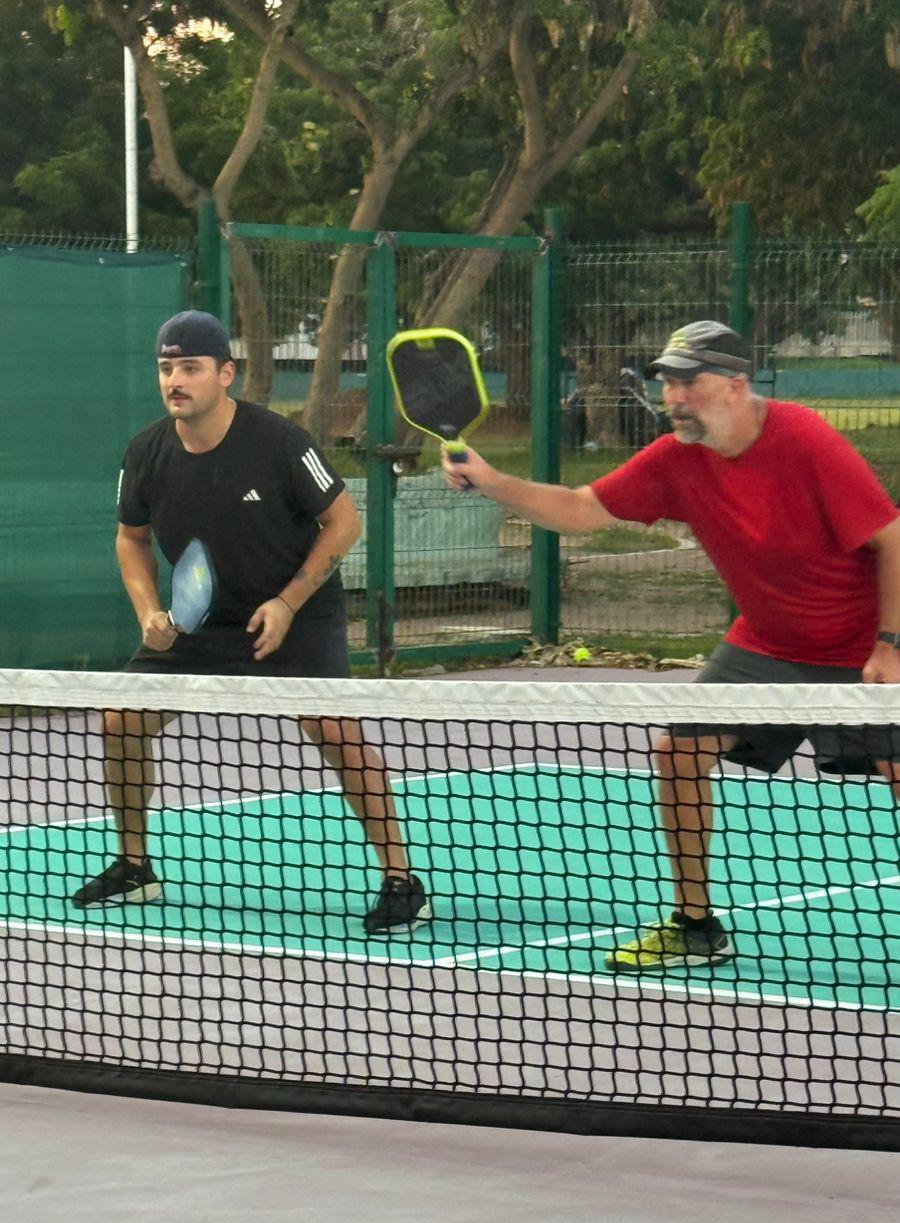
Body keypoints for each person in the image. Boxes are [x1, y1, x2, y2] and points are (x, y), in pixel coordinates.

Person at [442, 319, 900, 973]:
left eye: (690, 382)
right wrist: (489, 479)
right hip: (768, 643)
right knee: (678, 752)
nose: (674, 396)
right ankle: (695, 926)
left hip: (864, 639)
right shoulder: (675, 460)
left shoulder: (805, 439)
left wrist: (890, 645)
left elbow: (894, 541)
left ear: (736, 386)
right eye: (668, 383)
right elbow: (576, 508)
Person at [73, 309, 429, 936]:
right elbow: (131, 540)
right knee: (120, 718)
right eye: (166, 368)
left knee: (334, 730)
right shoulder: (145, 452)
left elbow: (344, 523)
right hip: (200, 623)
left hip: (295, 614)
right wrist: (149, 613)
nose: (175, 380)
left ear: (225, 374)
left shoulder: (281, 442)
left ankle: (401, 879)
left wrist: (289, 602)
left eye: (190, 367)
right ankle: (134, 865)